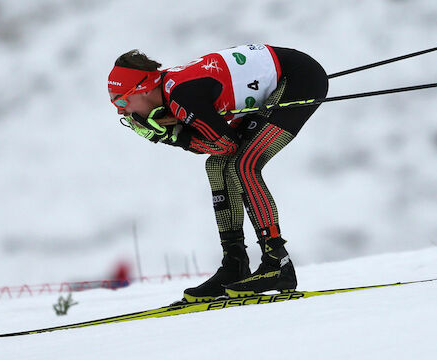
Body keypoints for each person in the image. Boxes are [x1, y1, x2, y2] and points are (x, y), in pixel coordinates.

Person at [107, 44, 328, 302]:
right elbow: (217, 144)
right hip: (280, 77)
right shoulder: (170, 93)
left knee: (243, 165)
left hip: (299, 79)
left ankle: (278, 262)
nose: (120, 110)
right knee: (217, 166)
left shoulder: (181, 97)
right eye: (115, 103)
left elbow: (225, 145)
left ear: (144, 89)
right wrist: (175, 133)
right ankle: (235, 264)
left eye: (122, 100)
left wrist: (172, 136)